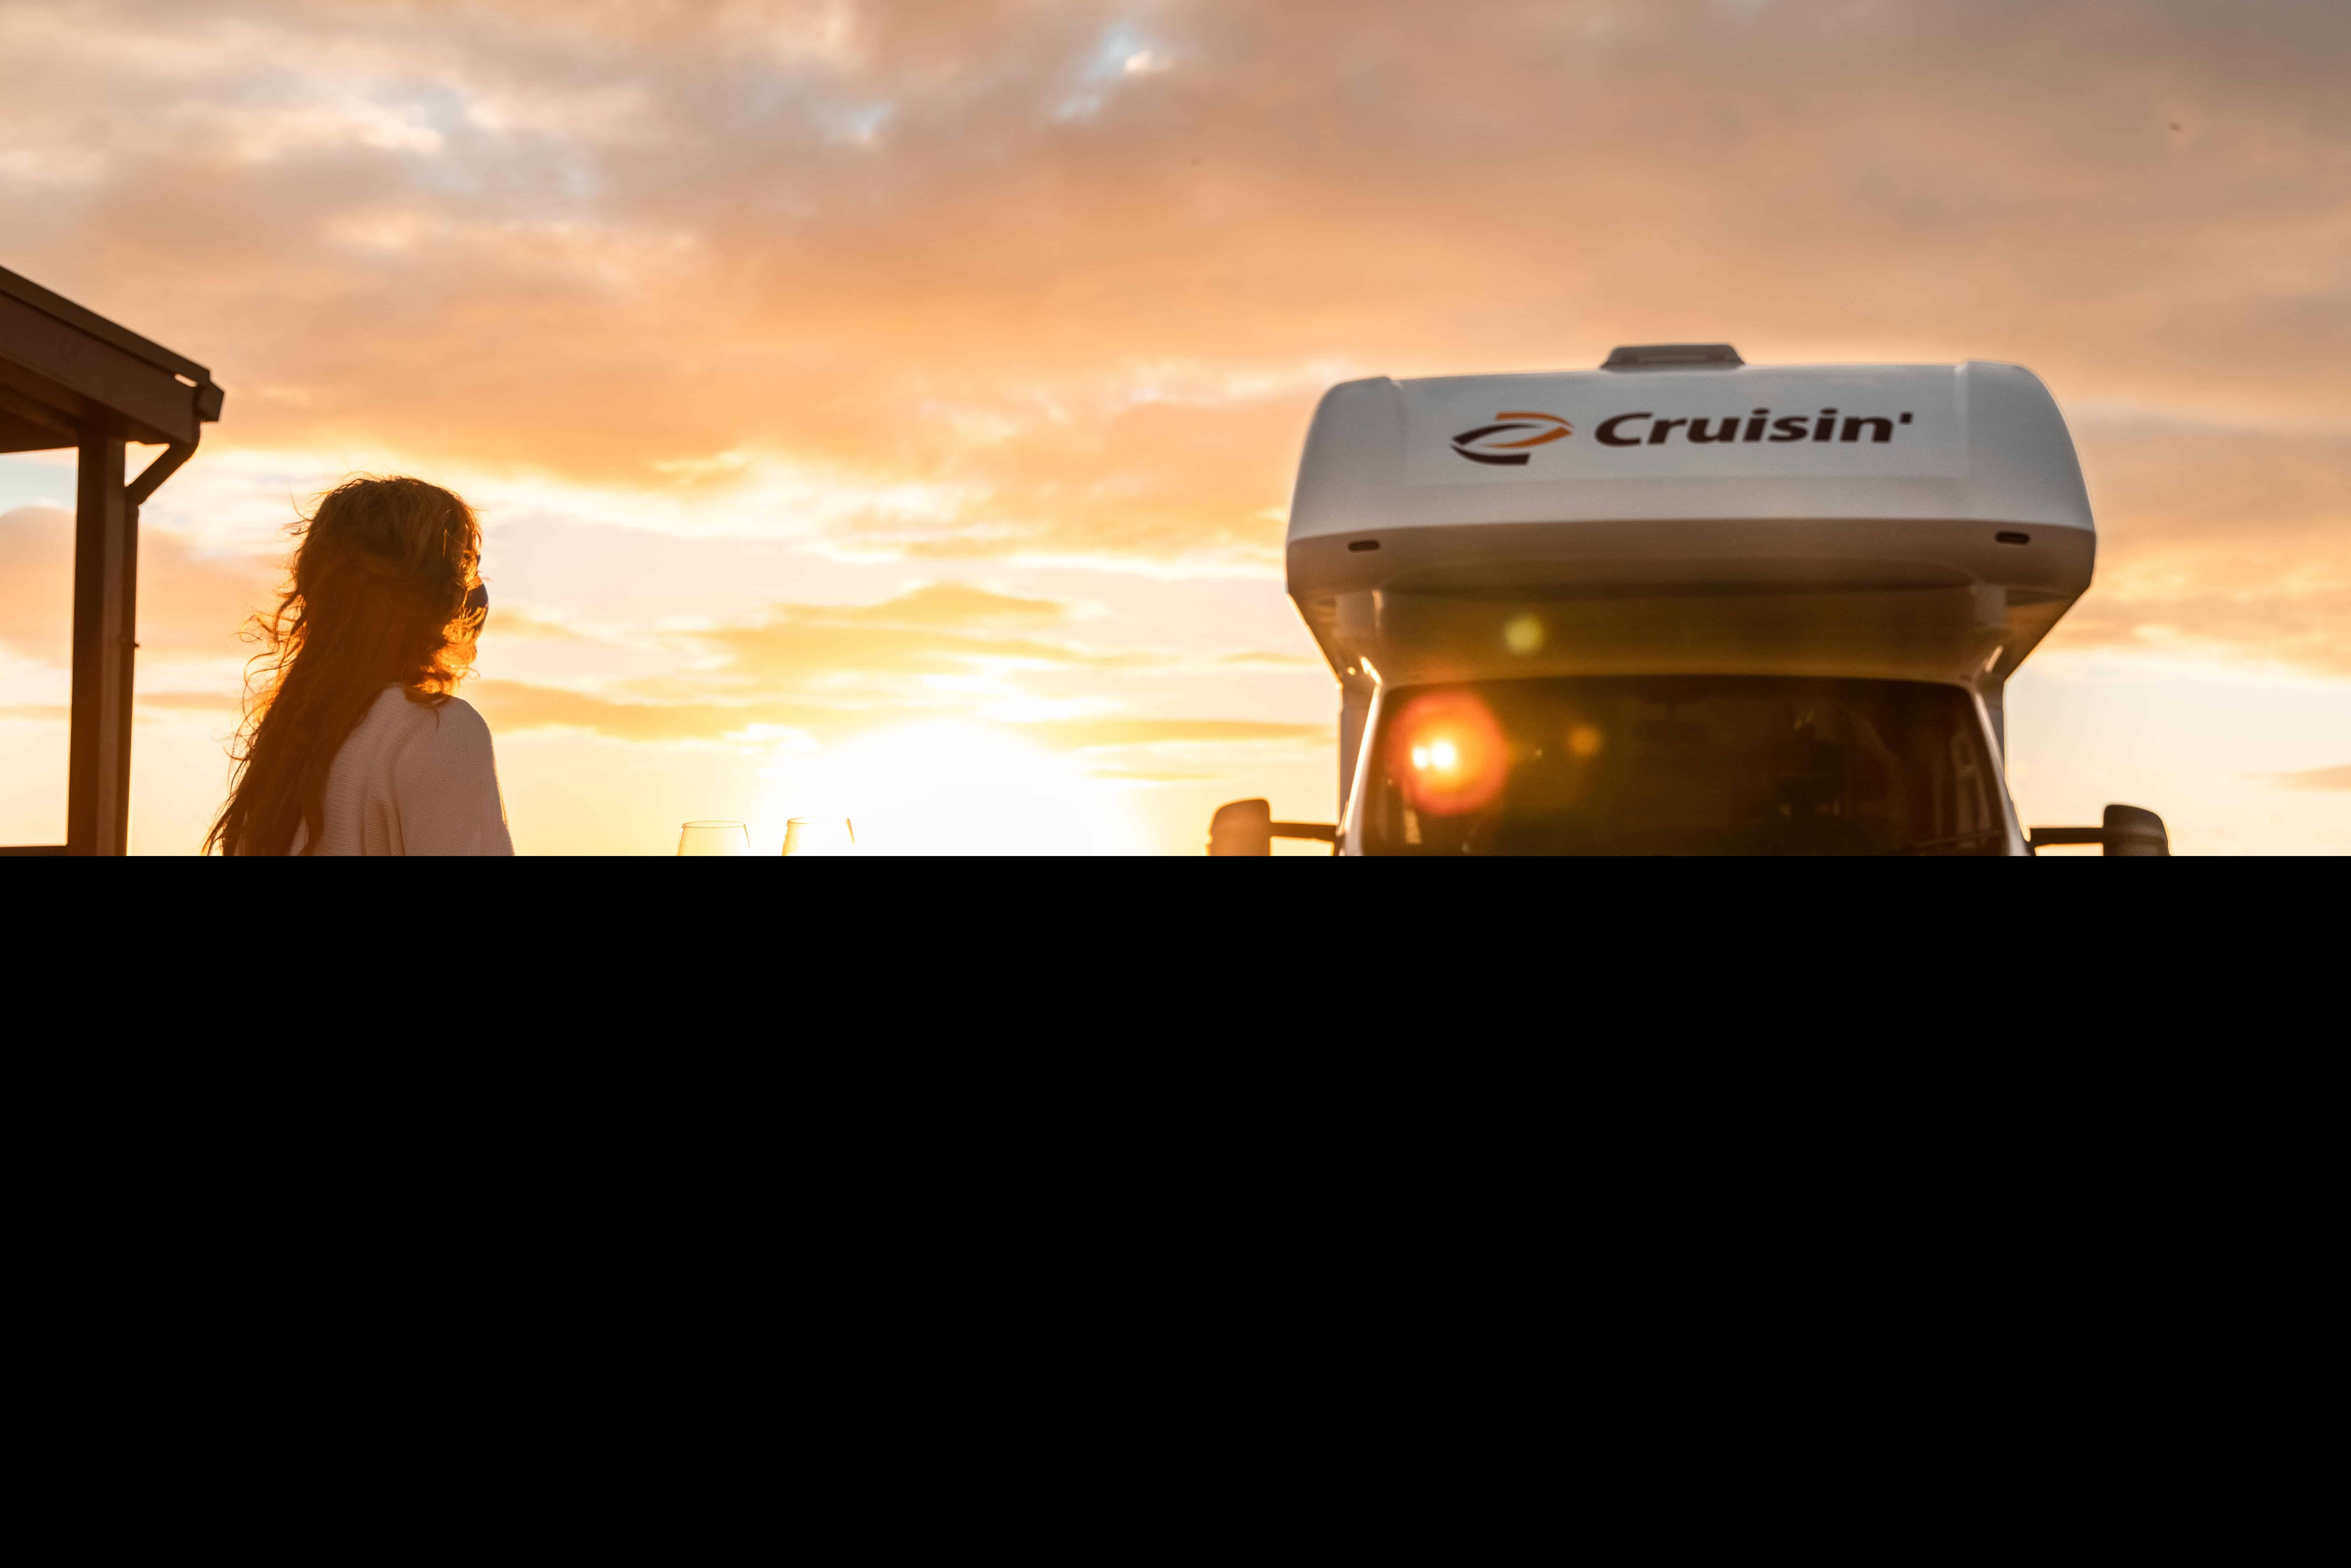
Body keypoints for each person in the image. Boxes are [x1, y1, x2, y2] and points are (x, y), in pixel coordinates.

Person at [203, 476, 512, 856]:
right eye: (469, 568)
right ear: (443, 598)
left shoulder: (286, 751)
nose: (477, 587)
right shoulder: (437, 729)